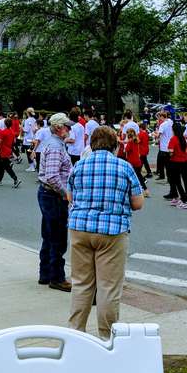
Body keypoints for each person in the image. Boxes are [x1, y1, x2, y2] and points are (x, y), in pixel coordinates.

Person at [67, 126, 144, 340]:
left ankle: (75, 333)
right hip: (112, 231)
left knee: (81, 283)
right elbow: (137, 203)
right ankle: (106, 337)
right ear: (115, 146)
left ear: (91, 145)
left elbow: (70, 197)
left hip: (80, 229)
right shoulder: (124, 167)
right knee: (108, 287)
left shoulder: (79, 166)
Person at [37, 112, 73, 292]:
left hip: (48, 194)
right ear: (59, 128)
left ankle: (46, 273)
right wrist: (66, 193)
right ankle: (57, 277)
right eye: (67, 126)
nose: (69, 129)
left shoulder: (54, 144)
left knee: (49, 235)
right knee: (57, 237)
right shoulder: (56, 147)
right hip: (53, 195)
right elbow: (52, 176)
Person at [166, 122, 187, 208]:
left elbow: (171, 151)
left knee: (176, 182)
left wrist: (169, 153)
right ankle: (177, 197)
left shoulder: (174, 139)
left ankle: (183, 199)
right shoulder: (182, 138)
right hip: (183, 162)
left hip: (175, 162)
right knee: (179, 180)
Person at [0, 117, 21, 188]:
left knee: (6, 167)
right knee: (2, 166)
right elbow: (14, 142)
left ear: (5, 124)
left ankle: (15, 179)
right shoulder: (12, 132)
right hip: (8, 150)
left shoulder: (3, 132)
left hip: (3, 150)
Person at [124, 128, 147, 193]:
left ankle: (144, 189)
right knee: (138, 176)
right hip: (137, 161)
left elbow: (126, 150)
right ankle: (144, 189)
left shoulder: (130, 142)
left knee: (136, 177)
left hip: (132, 162)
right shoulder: (136, 140)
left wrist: (126, 143)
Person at [155, 111, 173, 180]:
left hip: (163, 146)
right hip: (169, 145)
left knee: (163, 163)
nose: (159, 119)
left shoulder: (163, 125)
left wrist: (154, 134)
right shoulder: (170, 122)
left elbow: (158, 135)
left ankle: (166, 177)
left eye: (160, 117)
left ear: (162, 117)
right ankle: (165, 176)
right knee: (167, 163)